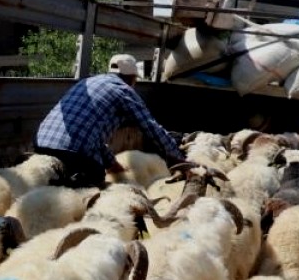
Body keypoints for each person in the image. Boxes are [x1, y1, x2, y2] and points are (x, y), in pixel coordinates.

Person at [34, 53, 187, 189]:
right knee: (96, 183)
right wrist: (181, 159)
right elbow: (151, 127)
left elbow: (91, 136)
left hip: (40, 142)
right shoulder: (124, 91)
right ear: (132, 78)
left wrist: (112, 165)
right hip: (74, 152)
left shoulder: (87, 82)